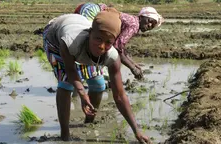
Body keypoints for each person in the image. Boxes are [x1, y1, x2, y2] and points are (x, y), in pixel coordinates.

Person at [43, 10, 151, 143]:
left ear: (114, 42)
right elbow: (71, 71)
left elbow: (119, 96)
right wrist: (83, 94)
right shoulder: (70, 42)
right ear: (90, 33)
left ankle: (89, 121)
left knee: (99, 84)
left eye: (108, 42)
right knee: (66, 84)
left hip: (80, 35)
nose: (101, 46)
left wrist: (137, 131)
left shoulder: (111, 56)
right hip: (55, 37)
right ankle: (64, 135)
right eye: (98, 39)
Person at [75, 3, 163, 80]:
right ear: (142, 16)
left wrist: (133, 63)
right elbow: (117, 48)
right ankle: (77, 75)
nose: (149, 25)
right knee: (88, 45)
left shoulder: (133, 22)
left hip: (91, 8)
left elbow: (121, 48)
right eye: (149, 21)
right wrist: (133, 68)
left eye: (152, 25)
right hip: (92, 12)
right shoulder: (134, 25)